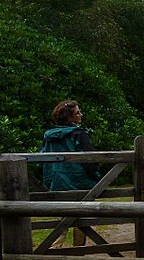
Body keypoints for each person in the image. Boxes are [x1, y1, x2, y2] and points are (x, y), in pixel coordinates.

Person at [41, 100, 101, 246]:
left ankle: (56, 249)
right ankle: (78, 252)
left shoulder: (49, 136)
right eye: (77, 112)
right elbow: (91, 159)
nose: (81, 115)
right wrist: (96, 176)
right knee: (80, 218)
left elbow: (42, 158)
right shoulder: (79, 134)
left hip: (56, 182)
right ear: (69, 117)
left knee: (62, 217)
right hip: (79, 182)